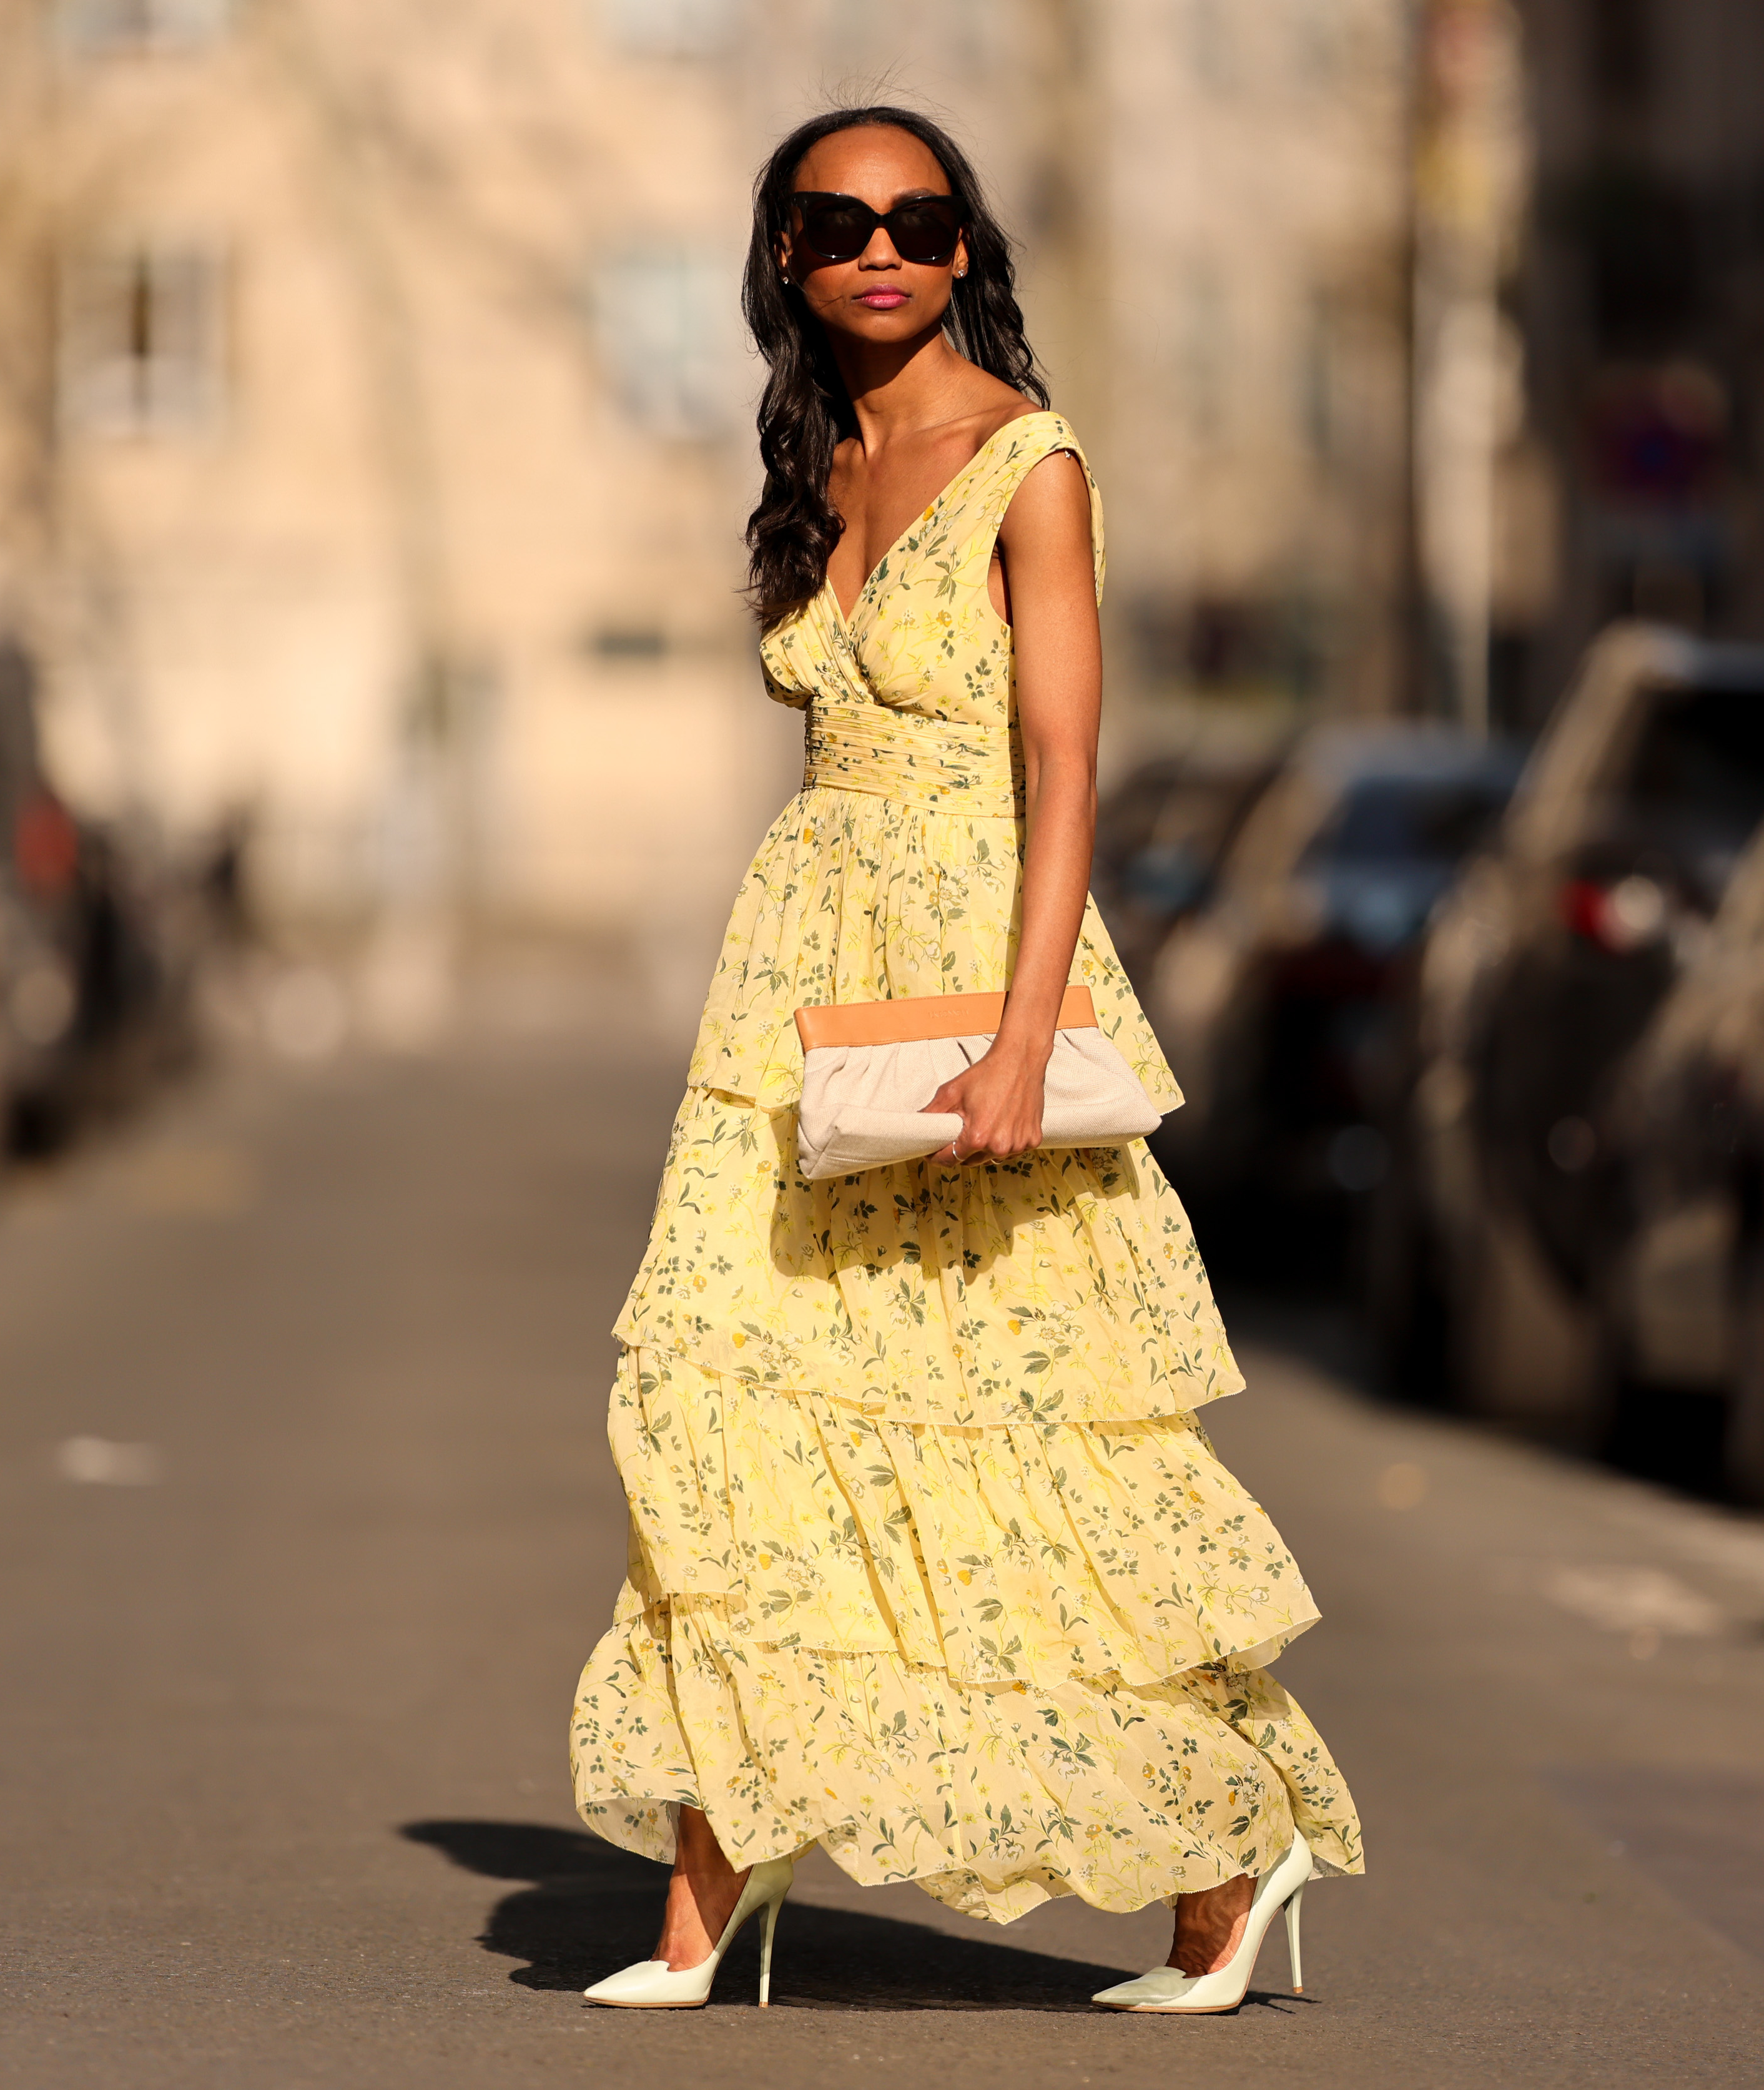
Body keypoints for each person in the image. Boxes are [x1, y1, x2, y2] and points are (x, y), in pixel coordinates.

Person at [568, 104, 1362, 2016]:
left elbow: (1065, 767)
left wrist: (1022, 1039)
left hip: (970, 964)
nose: (883, 252)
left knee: (1026, 1448)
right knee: (737, 1406)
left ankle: (1222, 1856)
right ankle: (709, 1885)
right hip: (798, 983)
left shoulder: (1033, 463)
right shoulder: (815, 452)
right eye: (841, 223)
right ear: (784, 254)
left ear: (963, 248)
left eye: (923, 223)